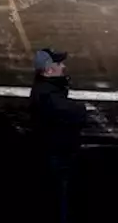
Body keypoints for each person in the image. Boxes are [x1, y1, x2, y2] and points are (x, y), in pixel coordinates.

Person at [29, 48, 88, 222]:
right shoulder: (48, 95)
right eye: (59, 63)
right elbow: (73, 113)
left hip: (56, 156)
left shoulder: (46, 90)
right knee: (59, 204)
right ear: (49, 70)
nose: (63, 67)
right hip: (56, 158)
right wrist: (81, 109)